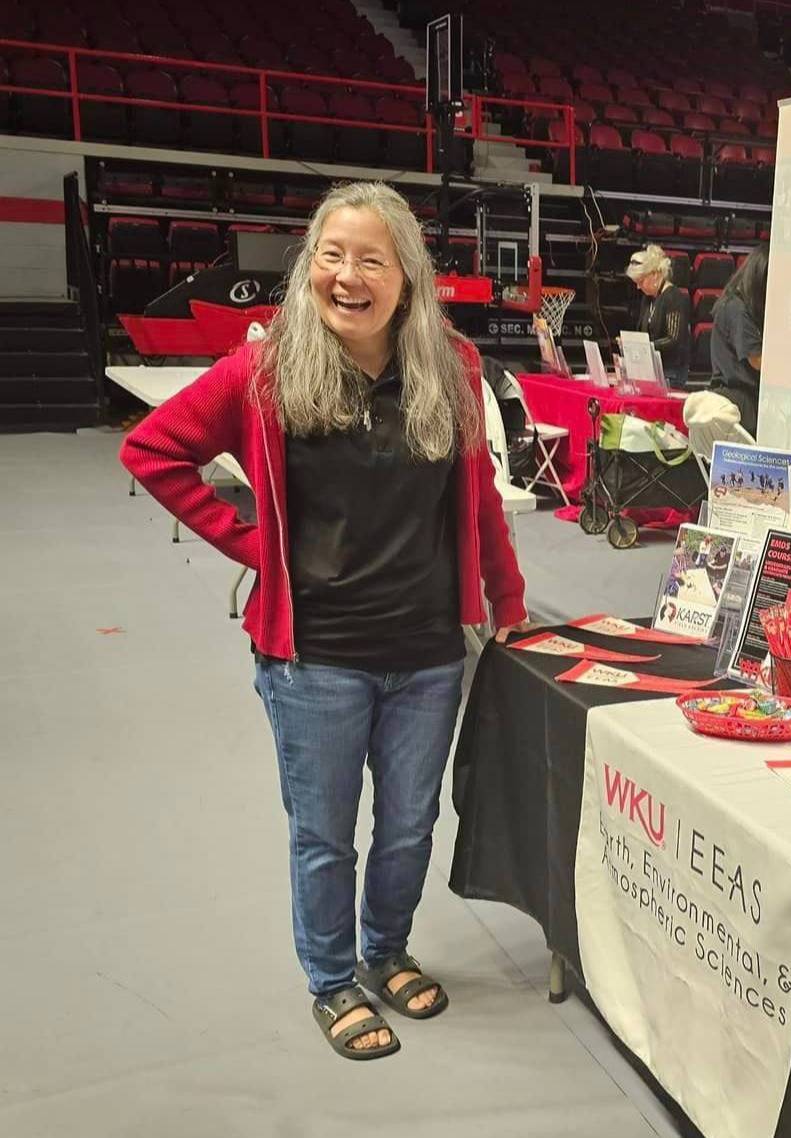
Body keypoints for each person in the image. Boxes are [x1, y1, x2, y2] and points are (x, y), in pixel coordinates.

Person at [120, 182, 531, 1061]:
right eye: (332, 257)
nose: (348, 276)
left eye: (371, 259)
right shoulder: (263, 372)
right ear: (311, 267)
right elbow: (152, 450)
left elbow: (480, 506)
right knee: (324, 836)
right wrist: (253, 546)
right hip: (316, 660)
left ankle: (386, 953)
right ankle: (332, 978)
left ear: (407, 276)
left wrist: (511, 604)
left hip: (426, 653)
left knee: (412, 826)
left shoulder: (451, 367)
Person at [709, 244, 768, 436]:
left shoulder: (731, 304)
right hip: (741, 402)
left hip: (731, 397)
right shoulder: (737, 309)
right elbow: (757, 360)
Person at [626, 243, 692, 388]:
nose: (638, 286)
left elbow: (674, 338)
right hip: (652, 367)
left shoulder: (673, 297)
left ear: (655, 274)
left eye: (641, 281)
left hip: (671, 370)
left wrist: (645, 346)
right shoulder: (648, 298)